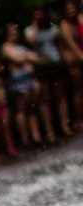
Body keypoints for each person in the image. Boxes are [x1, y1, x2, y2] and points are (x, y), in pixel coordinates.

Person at [27, 6, 72, 140]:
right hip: (42, 67)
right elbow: (32, 40)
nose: (39, 16)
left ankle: (65, 124)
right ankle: (49, 130)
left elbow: (60, 45)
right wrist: (35, 23)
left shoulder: (53, 28)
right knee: (45, 99)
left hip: (56, 64)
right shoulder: (30, 30)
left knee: (60, 95)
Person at [3, 23, 45, 146]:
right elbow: (18, 60)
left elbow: (37, 58)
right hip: (19, 81)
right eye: (11, 32)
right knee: (22, 109)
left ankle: (36, 136)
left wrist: (25, 57)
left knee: (32, 108)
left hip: (29, 79)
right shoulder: (6, 47)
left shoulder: (21, 47)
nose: (14, 34)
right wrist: (26, 57)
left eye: (15, 31)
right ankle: (25, 138)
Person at [60, 1, 83, 130]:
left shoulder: (78, 21)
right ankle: (79, 120)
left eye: (72, 8)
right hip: (74, 63)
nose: (71, 11)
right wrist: (80, 56)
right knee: (78, 91)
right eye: (68, 9)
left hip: (79, 60)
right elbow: (71, 44)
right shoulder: (64, 24)